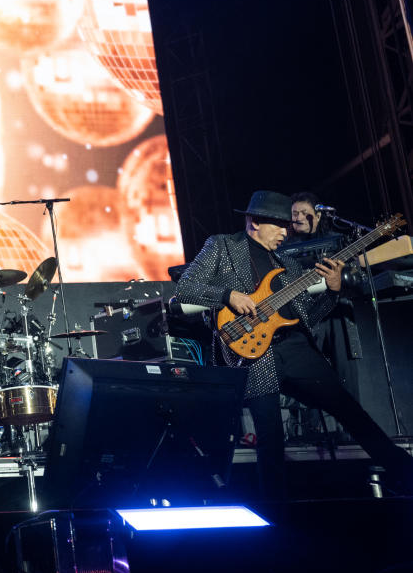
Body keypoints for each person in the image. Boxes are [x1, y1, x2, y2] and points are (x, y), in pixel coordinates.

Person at [175, 190, 413, 499]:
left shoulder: (286, 262)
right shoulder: (222, 246)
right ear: (254, 222)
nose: (286, 233)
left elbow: (309, 317)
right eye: (278, 225)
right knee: (270, 437)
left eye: (288, 225)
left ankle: (404, 474)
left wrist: (332, 290)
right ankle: (275, 514)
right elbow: (185, 289)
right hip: (254, 353)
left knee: (350, 410)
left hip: (294, 347)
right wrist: (228, 296)